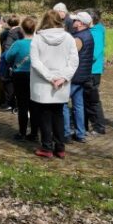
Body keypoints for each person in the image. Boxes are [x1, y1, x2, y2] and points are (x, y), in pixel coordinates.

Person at [30, 10, 78, 159]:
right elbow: (74, 62)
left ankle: (47, 146)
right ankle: (60, 147)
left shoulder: (37, 38)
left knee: (44, 115)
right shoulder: (69, 38)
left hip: (43, 84)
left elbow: (36, 62)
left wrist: (50, 77)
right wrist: (62, 77)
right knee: (58, 114)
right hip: (60, 84)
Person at [4, 16, 37, 141]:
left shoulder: (18, 44)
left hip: (20, 75)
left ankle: (22, 133)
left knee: (22, 105)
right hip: (35, 75)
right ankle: (34, 133)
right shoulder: (39, 42)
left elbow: (8, 57)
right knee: (34, 105)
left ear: (22, 30)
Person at [65, 11, 95, 143]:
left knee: (63, 104)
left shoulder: (78, 39)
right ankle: (80, 133)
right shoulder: (88, 35)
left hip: (74, 77)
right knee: (78, 105)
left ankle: (65, 132)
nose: (73, 22)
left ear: (81, 23)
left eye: (75, 20)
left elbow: (69, 55)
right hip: (83, 76)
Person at [85, 8, 107, 135]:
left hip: (93, 70)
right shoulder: (96, 29)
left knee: (93, 99)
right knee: (87, 98)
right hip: (91, 69)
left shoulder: (96, 32)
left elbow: (94, 53)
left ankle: (99, 126)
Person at [0, 15, 22, 112]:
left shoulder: (9, 34)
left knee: (8, 83)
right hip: (21, 61)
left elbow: (7, 49)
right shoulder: (21, 32)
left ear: (8, 23)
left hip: (10, 62)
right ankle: (17, 105)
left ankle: (9, 103)